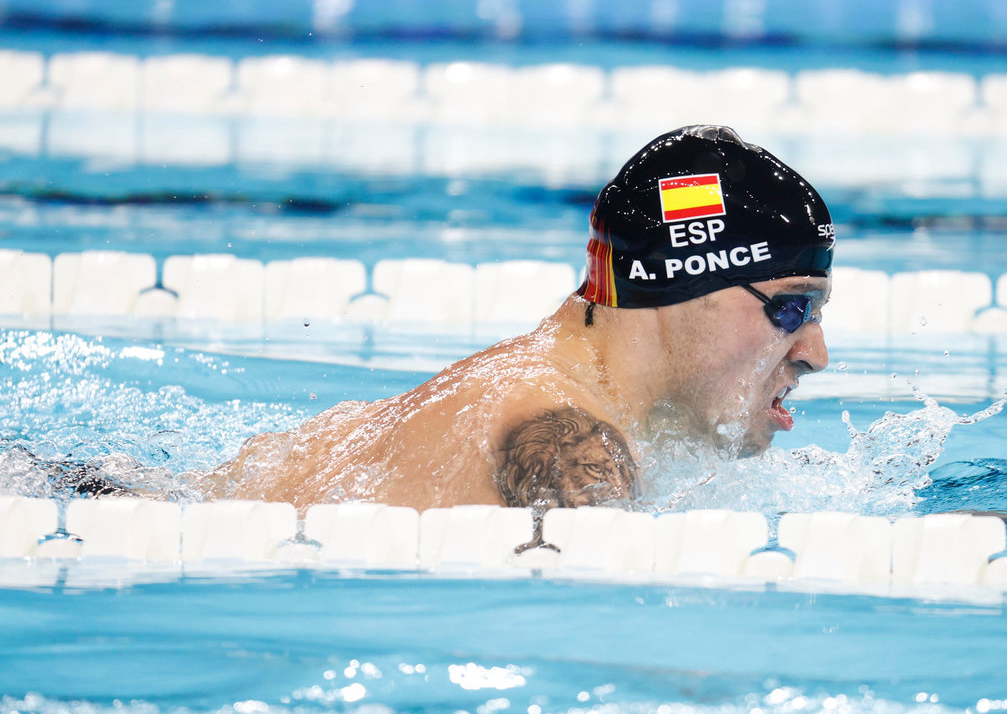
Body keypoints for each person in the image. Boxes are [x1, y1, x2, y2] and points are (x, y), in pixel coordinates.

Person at [210, 124, 835, 513]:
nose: (815, 352)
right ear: (686, 286)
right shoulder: (570, 450)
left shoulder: (528, 384)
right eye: (792, 308)